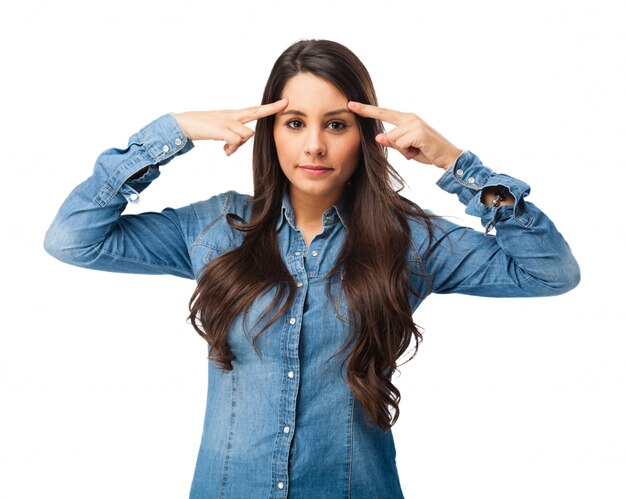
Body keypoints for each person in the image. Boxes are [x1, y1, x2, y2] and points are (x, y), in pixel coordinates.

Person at [44, 39, 580, 498]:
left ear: (367, 135)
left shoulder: (409, 239)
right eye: (294, 123)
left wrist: (456, 164)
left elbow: (549, 271)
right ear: (270, 131)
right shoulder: (213, 229)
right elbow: (73, 238)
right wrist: (173, 130)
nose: (315, 145)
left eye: (337, 124)